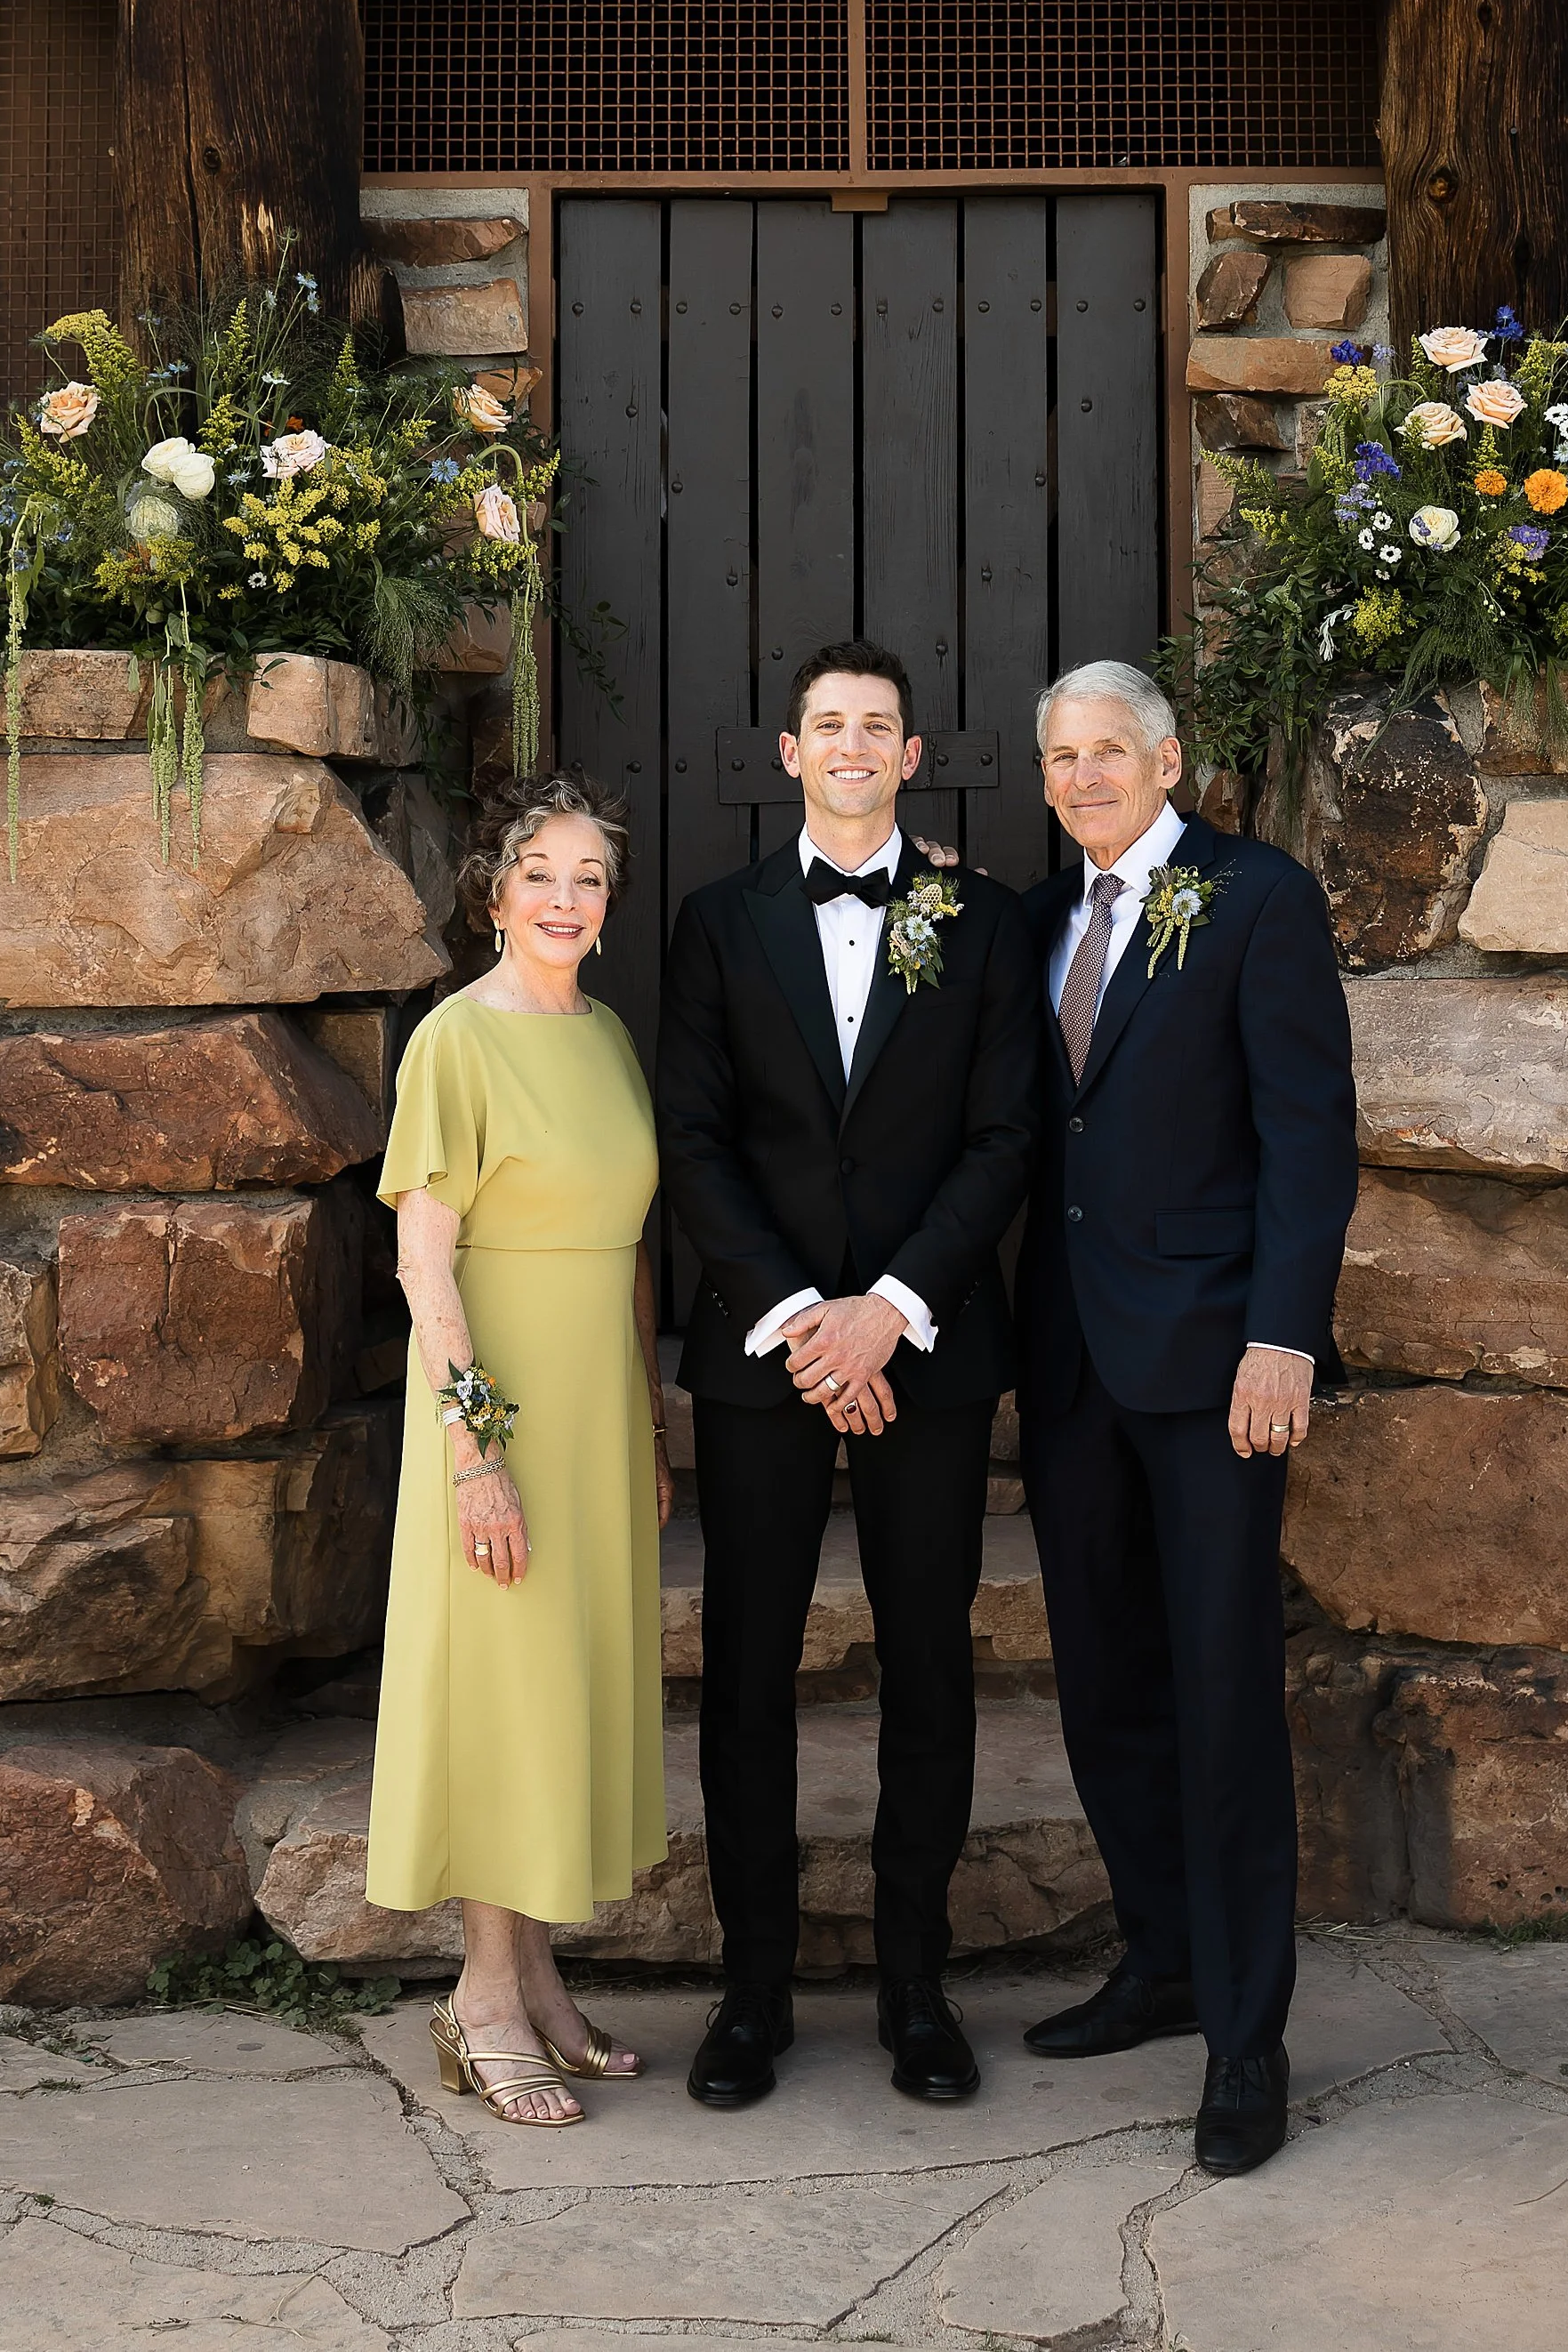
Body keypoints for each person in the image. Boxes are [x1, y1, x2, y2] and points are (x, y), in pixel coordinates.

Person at [655, 640, 1041, 2110]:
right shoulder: (717, 921)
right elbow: (694, 1138)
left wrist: (886, 1308)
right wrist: (806, 1321)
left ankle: (916, 1990)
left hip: (924, 1354)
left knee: (928, 1670)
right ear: (789, 752)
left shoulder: (979, 920)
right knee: (747, 1673)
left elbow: (1005, 1135)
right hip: (764, 1361)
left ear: (912, 746)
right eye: (829, 724)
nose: (853, 743)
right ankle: (749, 1996)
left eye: (877, 724)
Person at [1015, 661, 1356, 2180]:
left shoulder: (1258, 899)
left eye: (1109, 751)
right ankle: (1159, 1956)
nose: (1084, 775)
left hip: (1220, 1363)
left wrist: (1283, 1333)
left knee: (1220, 1693)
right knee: (1103, 1681)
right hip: (1076, 1364)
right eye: (1060, 756)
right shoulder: (1043, 919)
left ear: (1168, 761)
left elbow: (1309, 1136)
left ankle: (1245, 2036)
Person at [366, 772, 674, 2131]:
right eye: (540, 873)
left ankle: (541, 1978)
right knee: (504, 1694)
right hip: (498, 1418)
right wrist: (475, 1450)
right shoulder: (455, 1041)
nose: (565, 897)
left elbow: (628, 1254)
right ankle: (480, 1999)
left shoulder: (607, 1036)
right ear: (495, 896)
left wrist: (650, 1419)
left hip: (597, 1410)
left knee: (564, 1690)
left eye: (588, 877)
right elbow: (423, 1259)